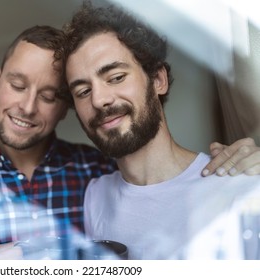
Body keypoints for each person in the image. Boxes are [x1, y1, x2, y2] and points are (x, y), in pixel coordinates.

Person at [0, 24, 259, 260]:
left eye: (51, 95)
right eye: (17, 85)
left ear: (66, 109)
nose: (27, 105)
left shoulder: (93, 173)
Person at [62, 1, 260, 259]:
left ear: (158, 80)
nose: (98, 100)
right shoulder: (94, 197)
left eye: (116, 77)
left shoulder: (239, 187)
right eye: (83, 91)